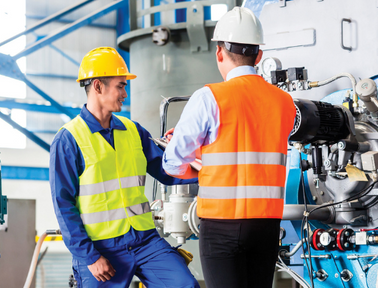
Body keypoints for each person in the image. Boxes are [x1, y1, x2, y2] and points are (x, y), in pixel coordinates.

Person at [162, 7, 297, 288]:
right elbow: (251, 147)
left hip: (221, 224)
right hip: (267, 224)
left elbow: (172, 164)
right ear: (258, 56)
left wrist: (193, 152)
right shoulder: (285, 103)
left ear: (219, 53)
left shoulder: (208, 97)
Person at [50, 47, 200, 288]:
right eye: (120, 86)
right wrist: (90, 257)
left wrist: (206, 172)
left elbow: (168, 170)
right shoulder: (68, 139)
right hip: (100, 248)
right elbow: (63, 205)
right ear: (98, 86)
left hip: (145, 241)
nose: (125, 94)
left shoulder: (133, 131)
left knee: (184, 285)